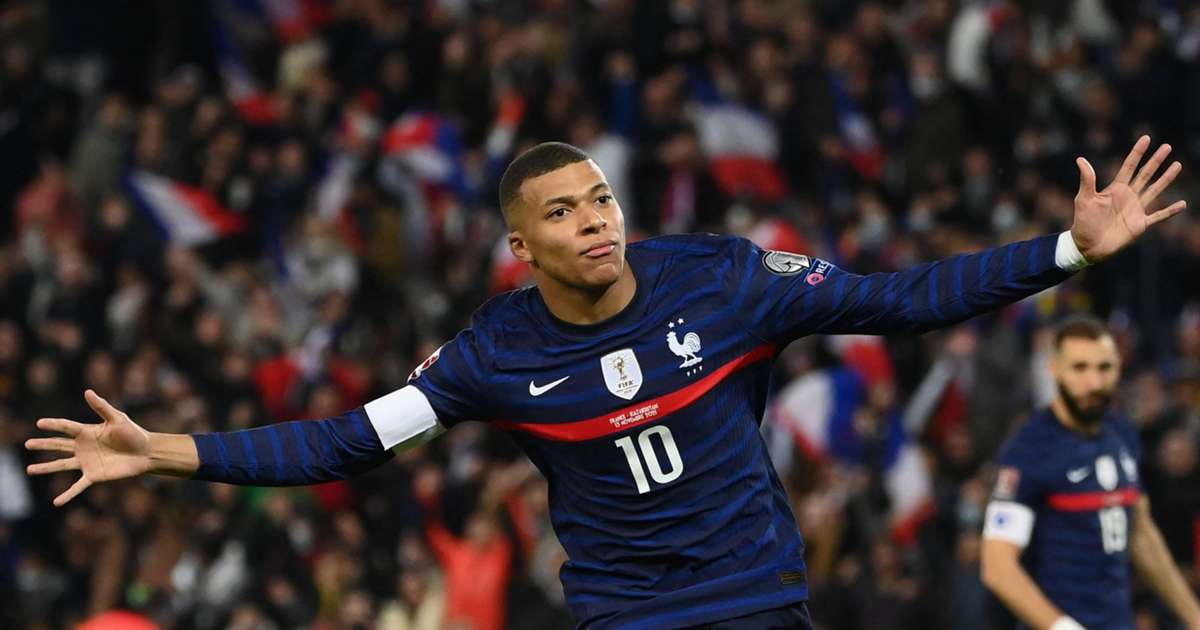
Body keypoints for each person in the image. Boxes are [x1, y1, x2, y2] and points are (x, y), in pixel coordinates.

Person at [25, 137, 1186, 629]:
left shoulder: (726, 282)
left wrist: (1068, 250)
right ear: (519, 247)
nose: (595, 221)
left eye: (602, 199)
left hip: (753, 598)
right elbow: (344, 443)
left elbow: (905, 298)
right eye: (563, 212)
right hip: (630, 619)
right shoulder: (492, 355)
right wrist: (164, 450)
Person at [980, 316, 1200, 630]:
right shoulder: (1029, 449)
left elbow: (1139, 532)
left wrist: (1193, 615)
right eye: (1080, 368)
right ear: (1055, 369)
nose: (1094, 382)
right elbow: (998, 567)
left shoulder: (1122, 433)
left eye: (1104, 367)